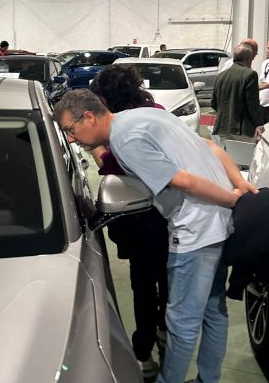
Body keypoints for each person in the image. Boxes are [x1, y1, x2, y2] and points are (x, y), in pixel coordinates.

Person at [54, 90, 257, 383]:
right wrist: (238, 185)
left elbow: (183, 181)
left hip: (195, 231)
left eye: (71, 130)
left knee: (181, 322)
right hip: (218, 224)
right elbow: (209, 145)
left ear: (88, 117)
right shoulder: (144, 115)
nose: (72, 139)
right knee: (214, 310)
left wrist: (233, 199)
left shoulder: (125, 141)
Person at [88, 65, 168, 378]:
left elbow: (108, 165)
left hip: (143, 218)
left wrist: (95, 143)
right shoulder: (156, 111)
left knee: (144, 287)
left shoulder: (120, 126)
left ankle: (143, 353)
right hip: (173, 214)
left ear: (105, 98)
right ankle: (165, 331)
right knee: (169, 280)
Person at [211, 44, 264, 142]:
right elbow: (252, 105)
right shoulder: (250, 74)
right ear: (248, 59)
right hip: (242, 129)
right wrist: (259, 124)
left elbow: (214, 102)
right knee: (244, 152)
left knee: (227, 151)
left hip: (222, 127)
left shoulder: (220, 75)